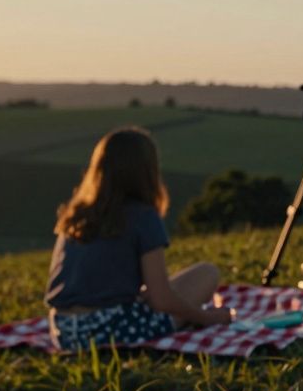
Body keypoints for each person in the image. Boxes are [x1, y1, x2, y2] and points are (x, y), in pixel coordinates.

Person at [44, 127, 231, 352]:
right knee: (207, 273)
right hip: (111, 331)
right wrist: (206, 318)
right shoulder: (143, 216)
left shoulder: (77, 213)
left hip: (63, 331)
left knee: (157, 293)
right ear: (147, 170)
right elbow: (161, 299)